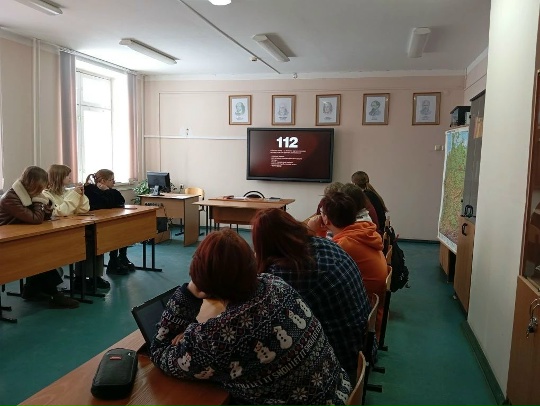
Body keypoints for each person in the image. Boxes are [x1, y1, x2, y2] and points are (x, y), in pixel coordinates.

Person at [150, 229, 351, 406]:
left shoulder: (219, 337)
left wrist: (189, 294)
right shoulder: (275, 283)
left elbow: (159, 351)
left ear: (203, 282)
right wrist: (197, 339)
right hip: (339, 393)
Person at [251, 208, 371, 382]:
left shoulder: (288, 271)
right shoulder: (324, 244)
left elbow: (263, 321)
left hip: (340, 364)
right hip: (360, 347)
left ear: (263, 245)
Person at [309, 192, 388, 339]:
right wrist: (320, 232)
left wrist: (311, 232)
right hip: (372, 307)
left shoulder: (345, 244)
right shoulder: (361, 230)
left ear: (326, 219)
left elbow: (315, 265)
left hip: (364, 318)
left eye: (321, 212)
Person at [0, 166, 79, 308]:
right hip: (6, 243)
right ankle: (55, 295)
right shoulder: (10, 198)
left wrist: (47, 207)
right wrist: (39, 201)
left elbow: (42, 217)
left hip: (22, 237)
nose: (43, 189)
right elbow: (35, 219)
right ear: (33, 183)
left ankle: (31, 290)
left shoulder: (27, 193)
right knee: (41, 256)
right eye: (41, 185)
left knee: (41, 252)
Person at [43, 164, 111, 289]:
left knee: (96, 239)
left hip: (73, 228)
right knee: (86, 241)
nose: (70, 178)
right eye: (67, 176)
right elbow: (60, 212)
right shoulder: (46, 195)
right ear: (59, 177)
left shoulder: (67, 192)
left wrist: (81, 196)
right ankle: (81, 278)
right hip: (58, 232)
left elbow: (84, 209)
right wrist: (74, 195)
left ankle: (94, 276)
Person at [84, 169, 134, 274]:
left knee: (122, 229)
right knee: (116, 231)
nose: (114, 182)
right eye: (112, 180)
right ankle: (113, 261)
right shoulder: (90, 190)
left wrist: (107, 190)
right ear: (103, 181)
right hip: (95, 223)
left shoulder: (110, 190)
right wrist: (107, 191)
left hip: (108, 220)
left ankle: (121, 257)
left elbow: (120, 202)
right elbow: (107, 204)